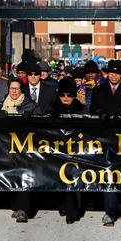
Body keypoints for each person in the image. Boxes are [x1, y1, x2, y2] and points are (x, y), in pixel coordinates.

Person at [90, 59, 121, 227]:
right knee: (108, 173)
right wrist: (99, 112)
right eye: (111, 72)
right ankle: (109, 211)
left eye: (117, 73)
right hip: (104, 137)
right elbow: (91, 111)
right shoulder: (99, 90)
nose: (113, 76)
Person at [0, 77, 40, 223]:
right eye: (12, 88)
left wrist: (32, 116)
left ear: (21, 90)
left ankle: (24, 209)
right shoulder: (2, 104)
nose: (14, 91)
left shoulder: (30, 105)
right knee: (12, 177)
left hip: (25, 148)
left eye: (17, 88)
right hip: (7, 148)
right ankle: (16, 207)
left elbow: (41, 121)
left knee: (24, 177)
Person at [51, 77, 87, 224]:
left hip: (75, 150)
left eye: (70, 95)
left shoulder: (81, 109)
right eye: (63, 95)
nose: (66, 98)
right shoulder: (51, 109)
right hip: (56, 150)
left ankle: (72, 211)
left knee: (72, 179)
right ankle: (62, 205)